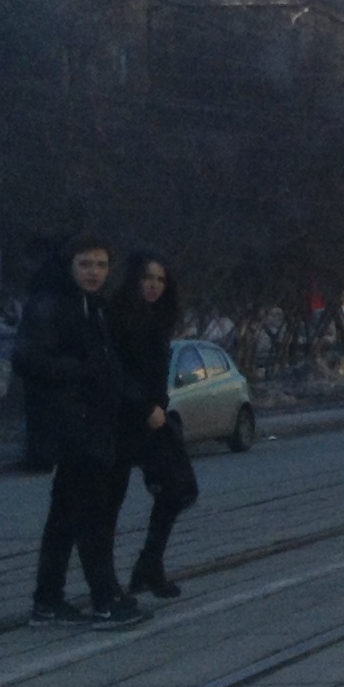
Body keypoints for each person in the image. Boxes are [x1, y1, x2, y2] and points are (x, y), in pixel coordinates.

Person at [11, 235, 146, 629]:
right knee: (91, 518)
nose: (94, 272)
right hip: (73, 428)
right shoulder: (53, 304)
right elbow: (28, 359)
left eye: (101, 265)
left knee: (65, 518)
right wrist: (85, 372)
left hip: (91, 426)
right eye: (85, 264)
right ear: (69, 265)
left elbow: (107, 365)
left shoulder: (92, 305)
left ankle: (48, 600)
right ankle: (104, 599)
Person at [108, 250, 199, 600]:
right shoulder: (117, 315)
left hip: (154, 418)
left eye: (160, 279)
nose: (154, 285)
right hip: (122, 419)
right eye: (148, 278)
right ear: (133, 278)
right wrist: (145, 405)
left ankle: (150, 564)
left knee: (178, 488)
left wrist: (158, 404)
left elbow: (157, 373)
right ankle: (108, 584)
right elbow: (117, 370)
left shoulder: (160, 318)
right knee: (109, 502)